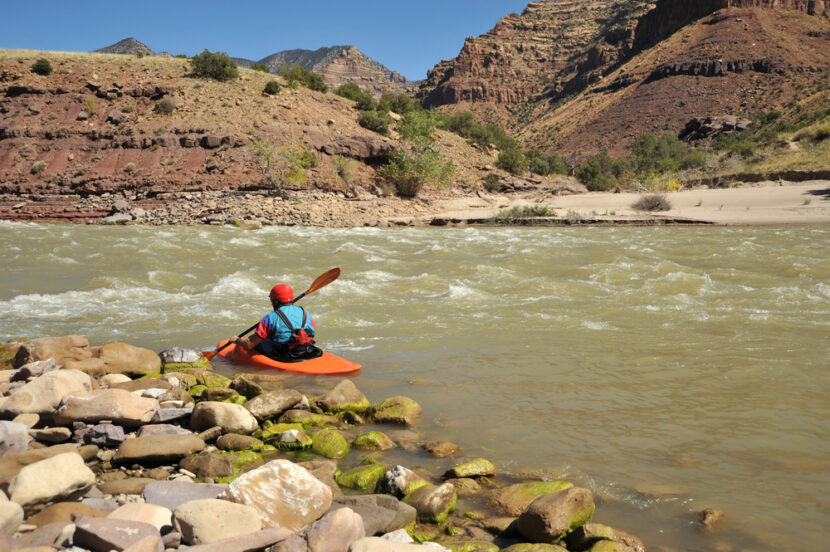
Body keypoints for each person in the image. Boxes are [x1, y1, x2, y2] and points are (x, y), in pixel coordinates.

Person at [229, 283, 322, 362]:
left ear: (276, 301)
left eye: (272, 301)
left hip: (285, 355)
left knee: (258, 342)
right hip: (307, 350)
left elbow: (249, 344)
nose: (272, 303)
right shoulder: (305, 312)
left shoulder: (270, 317)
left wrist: (237, 340)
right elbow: (311, 329)